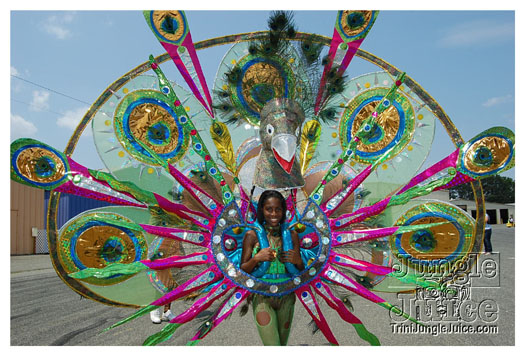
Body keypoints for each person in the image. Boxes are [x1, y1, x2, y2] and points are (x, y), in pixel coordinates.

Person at [240, 190, 304, 346]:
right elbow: (242, 270)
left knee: (282, 345)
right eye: (269, 209)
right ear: (262, 209)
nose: (274, 213)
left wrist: (297, 260)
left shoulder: (292, 234)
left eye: (278, 209)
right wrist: (257, 258)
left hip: (287, 296)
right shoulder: (252, 235)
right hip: (262, 296)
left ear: (283, 211)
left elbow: (301, 270)